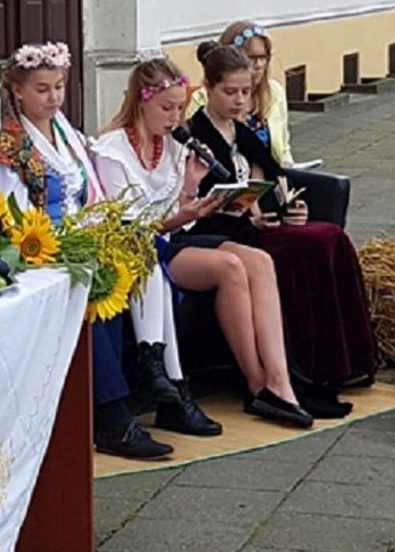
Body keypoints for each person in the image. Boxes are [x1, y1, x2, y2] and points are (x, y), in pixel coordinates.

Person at [0, 43, 220, 460]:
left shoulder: (67, 134)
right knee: (90, 287)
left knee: (133, 256)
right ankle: (113, 416)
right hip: (39, 251)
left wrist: (104, 234)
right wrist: (70, 242)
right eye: (42, 89)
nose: (53, 97)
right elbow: (13, 216)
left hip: (82, 239)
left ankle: (153, 374)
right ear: (17, 92)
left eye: (58, 87)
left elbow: (90, 193)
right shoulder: (10, 145)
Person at [93, 56, 314, 429]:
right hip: (143, 246)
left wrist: (192, 187)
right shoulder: (113, 149)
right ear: (141, 101)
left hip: (173, 235)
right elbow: (130, 225)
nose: (175, 117)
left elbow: (175, 206)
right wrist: (185, 214)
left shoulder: (174, 146)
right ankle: (255, 383)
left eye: (180, 107)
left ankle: (281, 383)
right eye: (166, 108)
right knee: (229, 267)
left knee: (259, 261)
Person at [185, 43, 377, 414]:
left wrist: (291, 209)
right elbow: (201, 204)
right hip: (222, 234)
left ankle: (345, 363)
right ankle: (301, 370)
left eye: (245, 92)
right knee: (308, 248)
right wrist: (249, 216)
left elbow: (269, 180)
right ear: (208, 89)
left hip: (257, 227)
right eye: (230, 92)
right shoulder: (198, 136)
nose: (240, 100)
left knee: (327, 235)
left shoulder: (242, 133)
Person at [187, 21, 293, 166]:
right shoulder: (202, 99)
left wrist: (288, 166)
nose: (259, 65)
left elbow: (283, 146)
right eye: (252, 58)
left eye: (263, 57)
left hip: (270, 172)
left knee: (330, 185)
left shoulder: (275, 92)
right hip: (231, 174)